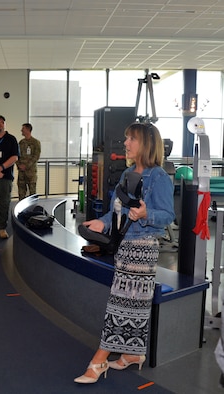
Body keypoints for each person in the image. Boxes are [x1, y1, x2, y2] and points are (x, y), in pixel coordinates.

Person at [74, 122, 175, 384]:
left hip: (142, 250)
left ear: (147, 143)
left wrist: (146, 214)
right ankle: (133, 354)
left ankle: (99, 360)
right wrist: (102, 222)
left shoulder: (159, 177)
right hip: (125, 247)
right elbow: (115, 209)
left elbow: (168, 216)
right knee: (133, 305)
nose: (126, 143)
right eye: (126, 137)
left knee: (119, 305)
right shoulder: (127, 173)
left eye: (131, 139)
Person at [16, 123, 41, 200]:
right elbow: (16, 155)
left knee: (32, 192)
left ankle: (33, 209)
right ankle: (21, 210)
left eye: (23, 129)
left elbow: (36, 156)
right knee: (21, 192)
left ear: (27, 129)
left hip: (31, 172)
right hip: (21, 172)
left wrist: (26, 166)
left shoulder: (36, 143)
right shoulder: (21, 143)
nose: (21, 130)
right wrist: (19, 165)